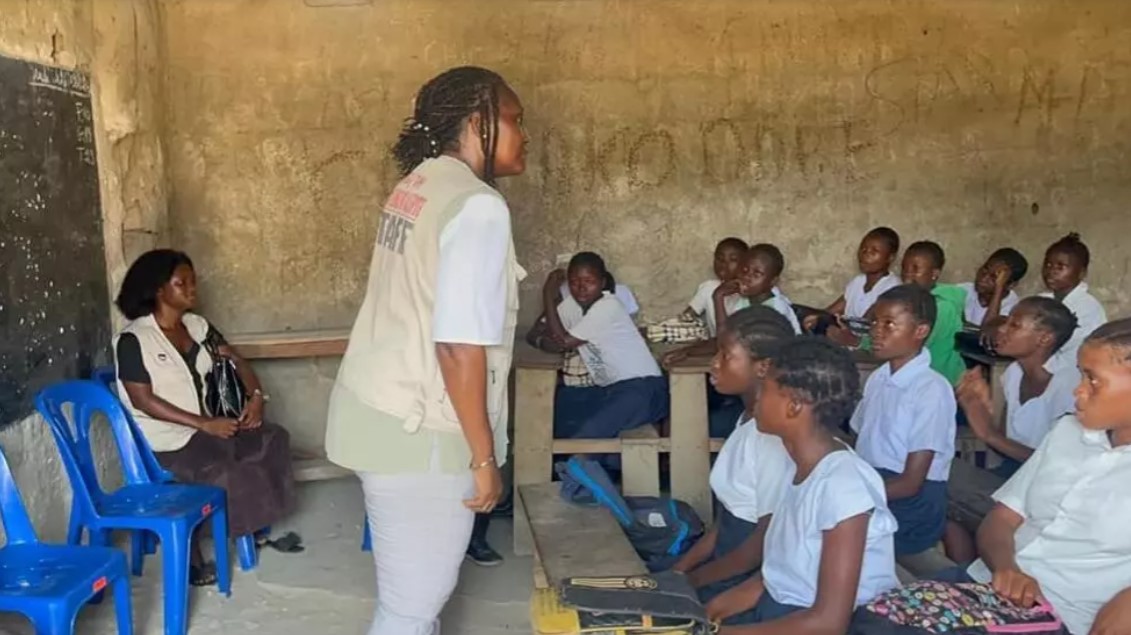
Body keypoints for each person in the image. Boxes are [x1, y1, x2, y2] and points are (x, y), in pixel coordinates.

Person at [324, 66, 527, 635]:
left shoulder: (416, 185)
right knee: (409, 611)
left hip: (376, 410)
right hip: (423, 434)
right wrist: (484, 461)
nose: (524, 134)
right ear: (477, 123)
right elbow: (460, 347)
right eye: (514, 120)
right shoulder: (478, 206)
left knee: (411, 601)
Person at [113, 249, 299, 587]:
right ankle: (192, 548)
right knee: (226, 468)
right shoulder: (134, 339)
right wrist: (202, 423)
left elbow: (237, 361)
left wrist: (256, 397)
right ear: (158, 290)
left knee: (273, 438)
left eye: (192, 281)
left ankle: (250, 522)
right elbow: (143, 399)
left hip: (210, 428)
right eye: (180, 282)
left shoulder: (198, 327)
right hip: (168, 440)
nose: (191, 288)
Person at [942, 318, 1131, 635]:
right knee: (875, 620)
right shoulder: (1067, 432)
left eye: (1093, 379)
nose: (1078, 389)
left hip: (1057, 618)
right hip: (984, 584)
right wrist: (1008, 570)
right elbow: (1000, 521)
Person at [711, 338, 900, 634]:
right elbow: (773, 579)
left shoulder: (843, 485)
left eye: (766, 390)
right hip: (783, 613)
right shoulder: (798, 466)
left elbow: (829, 622)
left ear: (794, 406)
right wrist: (704, 616)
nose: (757, 398)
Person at [671, 307, 796, 601]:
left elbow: (761, 547)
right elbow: (726, 521)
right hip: (725, 565)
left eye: (725, 355)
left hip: (748, 583)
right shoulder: (746, 420)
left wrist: (691, 582)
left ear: (763, 367)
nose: (714, 364)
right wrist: (678, 572)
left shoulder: (771, 441)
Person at [944, 297, 1078, 564]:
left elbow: (1054, 464)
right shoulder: (1013, 373)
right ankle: (969, 573)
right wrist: (979, 408)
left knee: (944, 486)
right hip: (1012, 477)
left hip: (1044, 491)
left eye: (1014, 325)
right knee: (943, 485)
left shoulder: (1068, 386)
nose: (1002, 330)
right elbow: (1004, 444)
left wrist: (987, 432)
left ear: (1044, 338)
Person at [851, 284, 956, 557]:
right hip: (877, 486)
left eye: (889, 324)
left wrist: (853, 497)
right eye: (874, 322)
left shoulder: (931, 389)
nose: (875, 330)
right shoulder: (879, 377)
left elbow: (912, 482)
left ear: (920, 331)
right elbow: (858, 437)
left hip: (910, 503)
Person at [535, 252, 668, 441]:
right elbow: (538, 333)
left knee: (586, 435)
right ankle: (584, 467)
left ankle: (575, 467)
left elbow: (563, 341)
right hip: (611, 389)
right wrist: (546, 340)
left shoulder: (608, 306)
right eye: (574, 282)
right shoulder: (573, 307)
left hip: (643, 389)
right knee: (563, 408)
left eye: (589, 281)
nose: (581, 288)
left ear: (603, 282)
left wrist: (548, 295)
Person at [802, 226, 901, 338]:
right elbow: (832, 311)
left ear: (890, 257)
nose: (865, 254)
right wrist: (813, 318)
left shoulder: (892, 287)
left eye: (874, 251)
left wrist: (830, 325)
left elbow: (863, 325)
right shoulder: (858, 281)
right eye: (863, 249)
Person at [897, 240, 966, 385]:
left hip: (942, 382)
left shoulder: (944, 307)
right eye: (904, 268)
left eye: (915, 269)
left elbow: (911, 344)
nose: (907, 275)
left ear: (934, 274)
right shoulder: (910, 301)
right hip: (919, 379)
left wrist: (861, 341)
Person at [1039, 232, 1106, 372]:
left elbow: (1074, 356)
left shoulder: (1088, 308)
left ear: (1081, 273)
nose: (1051, 271)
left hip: (1070, 375)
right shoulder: (1041, 300)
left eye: (1060, 267)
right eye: (1048, 265)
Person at [682, 237, 750, 337]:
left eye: (733, 259)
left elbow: (733, 338)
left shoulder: (750, 293)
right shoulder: (708, 287)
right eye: (719, 258)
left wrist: (718, 295)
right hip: (715, 345)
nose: (724, 263)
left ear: (745, 265)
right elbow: (686, 318)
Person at [732, 244, 803, 335]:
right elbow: (728, 332)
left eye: (756, 274)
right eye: (744, 270)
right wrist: (719, 296)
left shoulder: (777, 308)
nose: (747, 277)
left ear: (773, 281)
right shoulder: (743, 301)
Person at [958, 247, 1027, 331]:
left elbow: (988, 330)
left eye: (994, 277)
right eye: (985, 270)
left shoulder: (1014, 308)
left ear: (1011, 285)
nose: (983, 278)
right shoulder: (962, 290)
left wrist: (998, 289)